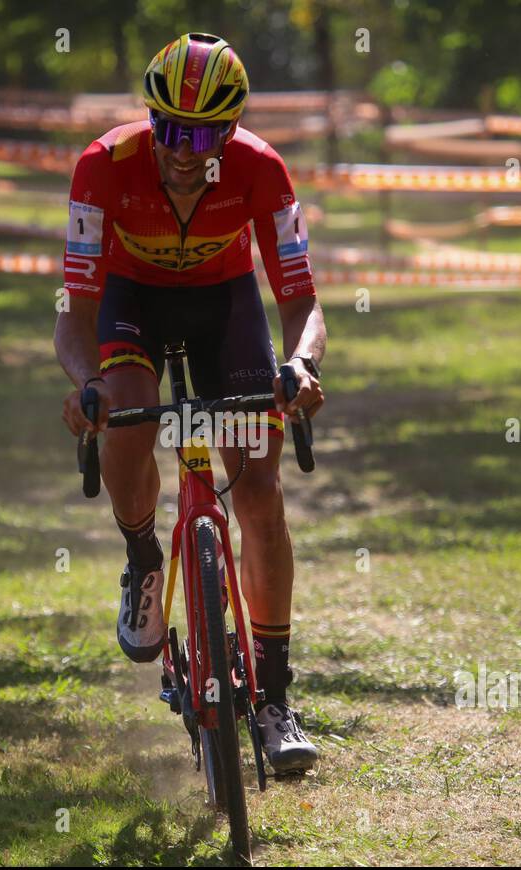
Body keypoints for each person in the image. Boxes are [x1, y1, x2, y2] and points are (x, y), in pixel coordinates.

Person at [54, 33, 328, 773]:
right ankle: (144, 556)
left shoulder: (261, 170)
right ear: (152, 119)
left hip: (224, 304)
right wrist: (87, 384)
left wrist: (298, 365)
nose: (184, 148)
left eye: (204, 133)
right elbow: (73, 315)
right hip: (131, 299)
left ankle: (274, 699)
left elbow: (301, 301)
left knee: (263, 493)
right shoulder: (102, 167)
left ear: (230, 132)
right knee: (129, 413)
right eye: (170, 128)